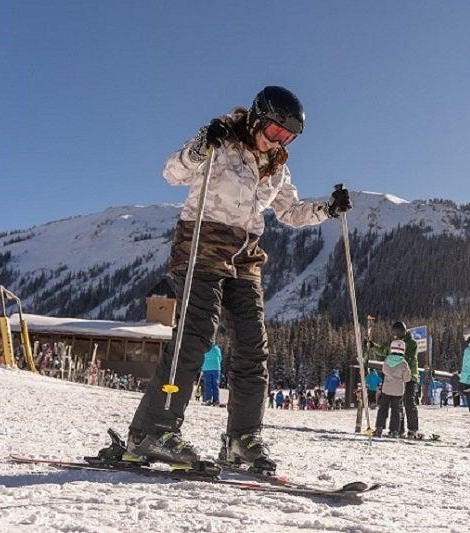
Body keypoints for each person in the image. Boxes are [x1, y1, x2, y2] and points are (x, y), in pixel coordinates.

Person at [124, 86, 352, 470]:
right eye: (275, 131)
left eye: (288, 137)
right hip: (202, 240)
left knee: (252, 344)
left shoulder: (278, 167)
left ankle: (241, 438)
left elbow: (291, 212)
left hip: (245, 253)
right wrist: (200, 147)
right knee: (196, 334)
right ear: (257, 118)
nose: (278, 141)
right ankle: (152, 431)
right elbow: (172, 173)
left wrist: (327, 208)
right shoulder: (220, 139)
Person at [369, 321, 420, 438]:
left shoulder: (412, 343)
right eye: (393, 333)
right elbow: (383, 349)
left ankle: (413, 429)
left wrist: (394, 358)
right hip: (396, 376)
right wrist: (372, 346)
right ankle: (398, 429)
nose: (394, 336)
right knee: (397, 404)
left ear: (403, 332)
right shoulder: (393, 342)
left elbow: (409, 358)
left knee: (409, 402)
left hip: (409, 376)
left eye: (396, 333)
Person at [374, 339, 411, 437]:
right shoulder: (404, 363)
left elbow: (384, 371)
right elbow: (407, 378)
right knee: (396, 411)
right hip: (398, 391)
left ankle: (379, 427)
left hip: (386, 389)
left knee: (383, 409)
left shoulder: (387, 360)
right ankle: (394, 430)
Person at [201, 342, 222, 406]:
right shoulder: (217, 349)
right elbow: (220, 358)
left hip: (207, 368)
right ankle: (216, 400)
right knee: (215, 385)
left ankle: (208, 399)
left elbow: (203, 358)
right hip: (216, 368)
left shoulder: (206, 349)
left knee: (208, 385)